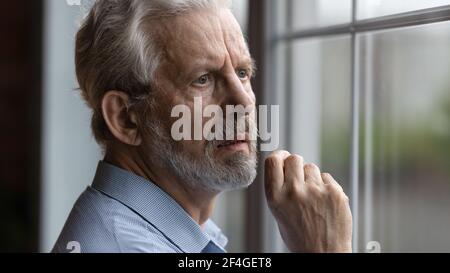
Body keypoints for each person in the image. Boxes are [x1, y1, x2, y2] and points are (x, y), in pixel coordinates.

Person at [52, 0, 352, 253]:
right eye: (203, 79)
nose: (244, 103)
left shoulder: (178, 233)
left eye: (243, 72)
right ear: (125, 117)